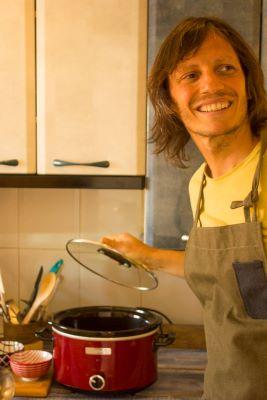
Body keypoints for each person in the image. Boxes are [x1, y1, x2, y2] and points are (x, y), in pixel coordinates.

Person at [101, 16, 267, 400]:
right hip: (228, 387)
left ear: (248, 84)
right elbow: (239, 276)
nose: (211, 84)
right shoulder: (201, 184)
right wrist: (146, 256)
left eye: (226, 68)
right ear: (169, 100)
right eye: (190, 75)